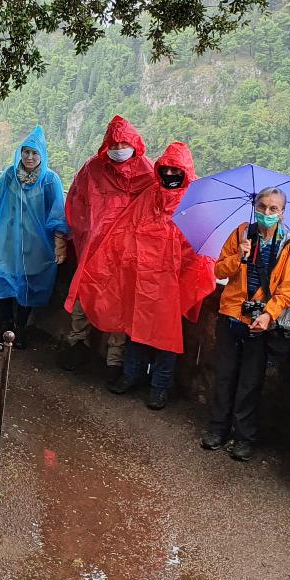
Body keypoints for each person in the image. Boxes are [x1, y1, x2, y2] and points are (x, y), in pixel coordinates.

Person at [78, 142, 215, 410]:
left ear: (185, 172)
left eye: (176, 171)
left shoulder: (194, 204)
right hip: (142, 279)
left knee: (167, 339)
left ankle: (160, 387)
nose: (170, 175)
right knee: (136, 330)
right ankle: (131, 375)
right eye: (166, 169)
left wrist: (183, 283)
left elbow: (200, 252)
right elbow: (127, 231)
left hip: (172, 285)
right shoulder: (150, 196)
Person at [201, 188, 290, 462]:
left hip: (259, 323)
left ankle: (244, 437)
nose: (267, 213)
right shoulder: (241, 233)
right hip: (231, 316)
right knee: (225, 376)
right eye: (262, 206)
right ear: (255, 207)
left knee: (250, 382)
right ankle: (217, 429)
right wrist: (239, 256)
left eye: (273, 209)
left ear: (282, 213)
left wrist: (269, 314)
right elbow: (219, 270)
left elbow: (287, 290)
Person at [59, 116, 154, 375]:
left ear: (134, 144)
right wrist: (82, 235)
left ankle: (114, 360)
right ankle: (77, 345)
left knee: (120, 305)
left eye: (124, 143)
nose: (119, 148)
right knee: (83, 297)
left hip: (126, 253)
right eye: (114, 144)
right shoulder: (93, 168)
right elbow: (77, 201)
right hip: (95, 249)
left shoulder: (147, 173)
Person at [0, 126, 68, 349]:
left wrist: (59, 244)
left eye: (34, 153)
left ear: (42, 155)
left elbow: (58, 214)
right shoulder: (9, 175)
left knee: (28, 285)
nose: (29, 157)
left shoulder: (50, 180)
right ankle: (6, 326)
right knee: (1, 280)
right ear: (20, 152)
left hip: (35, 245)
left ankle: (20, 329)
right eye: (26, 152)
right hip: (6, 243)